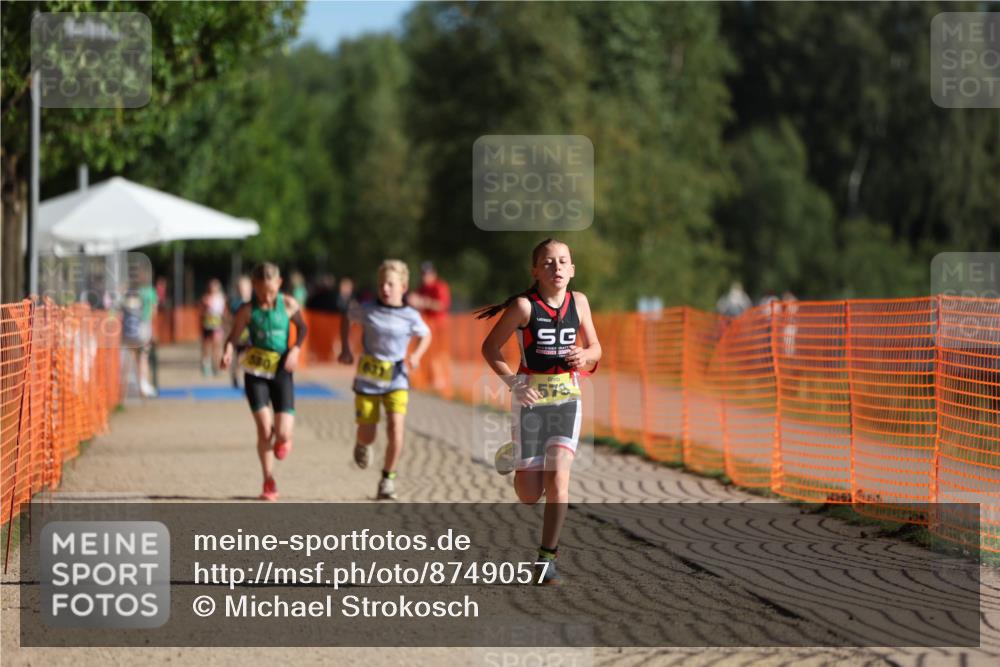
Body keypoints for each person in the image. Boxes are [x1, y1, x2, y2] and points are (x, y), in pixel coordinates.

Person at [478, 239, 601, 585]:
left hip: (566, 401)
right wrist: (513, 384)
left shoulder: (580, 302)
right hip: (530, 402)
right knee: (530, 495)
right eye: (548, 262)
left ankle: (547, 559)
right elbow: (490, 347)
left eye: (563, 261)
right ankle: (515, 456)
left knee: (559, 478)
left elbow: (596, 347)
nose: (556, 267)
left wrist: (585, 356)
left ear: (572, 269)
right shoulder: (523, 307)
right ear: (535, 271)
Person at [339, 260, 431, 500]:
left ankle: (387, 480)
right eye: (381, 284)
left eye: (390, 284)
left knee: (395, 429)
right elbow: (347, 317)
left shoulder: (411, 315)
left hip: (397, 378)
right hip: (369, 378)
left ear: (403, 286)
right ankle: (362, 443)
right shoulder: (367, 309)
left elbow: (425, 335)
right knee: (368, 434)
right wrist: (346, 349)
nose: (385, 289)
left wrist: (417, 355)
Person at [221, 263, 308, 501]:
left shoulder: (289, 304)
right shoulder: (247, 311)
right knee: (263, 429)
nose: (266, 296)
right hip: (256, 372)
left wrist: (296, 350)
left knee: (282, 433)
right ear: (254, 286)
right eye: (261, 291)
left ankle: (284, 439)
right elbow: (233, 337)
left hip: (281, 370)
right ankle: (269, 480)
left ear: (279, 284)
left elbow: (302, 328)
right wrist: (228, 352)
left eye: (271, 291)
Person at [407, 262, 452, 394]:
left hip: (438, 329)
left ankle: (439, 383)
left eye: (428, 273)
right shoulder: (421, 288)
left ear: (434, 274)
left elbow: (442, 305)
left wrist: (423, 302)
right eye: (423, 273)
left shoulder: (440, 286)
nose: (425, 276)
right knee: (422, 354)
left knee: (436, 356)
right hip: (424, 328)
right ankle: (421, 381)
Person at [122, 267, 159, 398]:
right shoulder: (150, 292)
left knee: (132, 356)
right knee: (143, 357)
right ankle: (143, 385)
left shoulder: (131, 291)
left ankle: (128, 387)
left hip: (132, 328)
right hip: (144, 326)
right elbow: (154, 311)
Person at [228, 275, 253, 389]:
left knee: (248, 357)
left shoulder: (254, 302)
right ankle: (236, 376)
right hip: (240, 335)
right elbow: (232, 318)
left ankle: (247, 379)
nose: (243, 290)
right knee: (239, 357)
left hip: (252, 335)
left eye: (245, 288)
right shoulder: (235, 304)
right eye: (241, 288)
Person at [199, 279, 227, 376]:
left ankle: (217, 366)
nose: (213, 288)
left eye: (215, 286)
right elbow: (201, 312)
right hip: (207, 325)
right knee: (206, 346)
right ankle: (206, 366)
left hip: (217, 326)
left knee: (217, 346)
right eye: (211, 286)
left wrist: (224, 322)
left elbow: (224, 312)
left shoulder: (221, 298)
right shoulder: (205, 298)